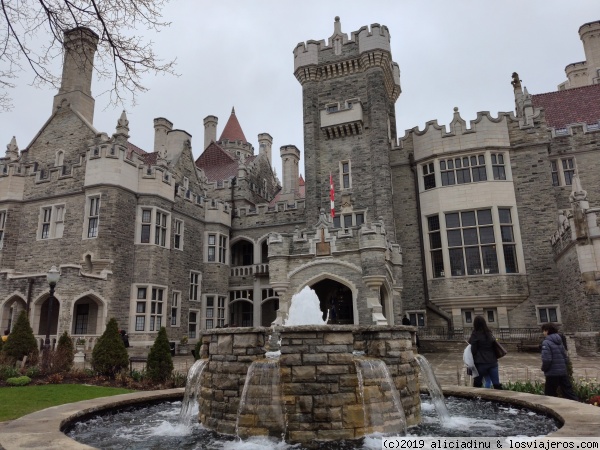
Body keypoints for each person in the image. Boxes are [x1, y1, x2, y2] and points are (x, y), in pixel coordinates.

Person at [541, 323, 578, 401]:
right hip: (562, 371)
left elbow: (547, 359)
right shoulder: (559, 341)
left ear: (547, 331)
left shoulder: (546, 342)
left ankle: (550, 411)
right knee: (569, 392)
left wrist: (544, 368)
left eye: (543, 331)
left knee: (550, 394)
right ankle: (579, 406)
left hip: (552, 372)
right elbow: (565, 357)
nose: (543, 333)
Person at [468, 315, 502, 389]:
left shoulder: (475, 334)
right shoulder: (489, 333)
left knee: (477, 385)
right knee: (497, 385)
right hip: (493, 362)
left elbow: (473, 350)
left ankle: (477, 400)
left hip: (481, 363)